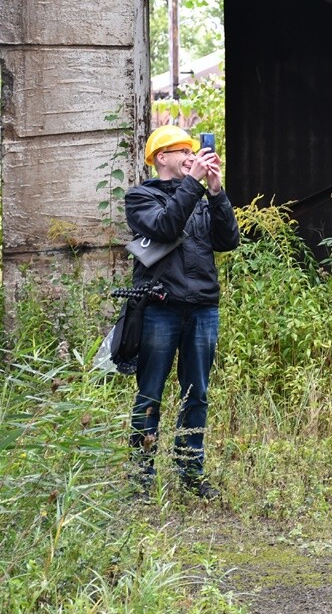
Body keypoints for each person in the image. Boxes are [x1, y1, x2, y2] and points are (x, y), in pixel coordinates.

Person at [126, 125, 240, 500]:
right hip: (160, 308)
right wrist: (194, 184)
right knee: (150, 393)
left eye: (194, 151)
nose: (193, 157)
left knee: (198, 394)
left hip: (203, 308)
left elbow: (228, 241)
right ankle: (140, 477)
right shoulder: (141, 197)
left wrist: (216, 191)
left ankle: (191, 473)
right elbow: (166, 226)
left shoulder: (202, 197)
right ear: (162, 157)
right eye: (184, 152)